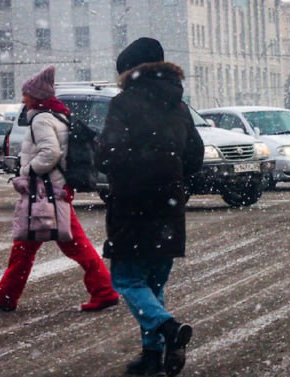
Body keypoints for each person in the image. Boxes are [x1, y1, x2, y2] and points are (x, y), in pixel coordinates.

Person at [95, 37, 203, 377]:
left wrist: (101, 151)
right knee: (153, 284)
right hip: (169, 206)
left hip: (132, 204)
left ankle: (168, 329)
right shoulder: (179, 105)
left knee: (126, 280)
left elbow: (108, 154)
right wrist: (172, 180)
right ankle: (152, 356)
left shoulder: (124, 104)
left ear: (130, 71)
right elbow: (195, 154)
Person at [0, 65, 119, 312]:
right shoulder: (57, 115)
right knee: (26, 246)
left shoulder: (41, 119)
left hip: (45, 193)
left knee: (68, 246)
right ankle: (6, 295)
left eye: (25, 94)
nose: (22, 99)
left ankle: (103, 290)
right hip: (53, 191)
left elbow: (51, 152)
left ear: (35, 96)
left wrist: (27, 171)